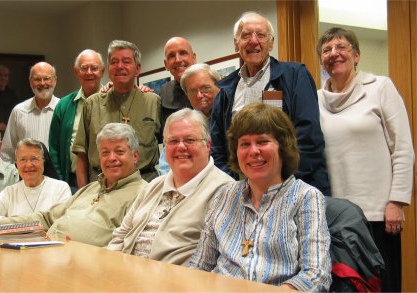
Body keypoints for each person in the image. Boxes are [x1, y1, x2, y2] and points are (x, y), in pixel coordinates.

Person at [189, 103, 331, 291]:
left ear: (283, 147)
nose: (253, 151)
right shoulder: (224, 195)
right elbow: (200, 264)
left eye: (263, 141)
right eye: (245, 144)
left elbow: (316, 274)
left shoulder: (306, 197)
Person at [316, 27, 414, 292]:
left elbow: (403, 148)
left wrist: (397, 201)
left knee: (383, 285)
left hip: (379, 213)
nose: (333, 53)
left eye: (341, 47)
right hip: (336, 215)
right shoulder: (315, 99)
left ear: (356, 55)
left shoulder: (381, 87)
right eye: (326, 49)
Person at [210, 11, 330, 196]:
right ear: (236, 44)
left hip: (294, 187)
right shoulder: (226, 90)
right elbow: (218, 147)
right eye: (246, 35)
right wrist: (231, 187)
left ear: (271, 43)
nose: (253, 40)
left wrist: (281, 185)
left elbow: (309, 137)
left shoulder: (295, 75)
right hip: (243, 193)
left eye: (261, 35)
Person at [0, 123, 147, 246]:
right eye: (105, 152)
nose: (111, 158)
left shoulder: (144, 194)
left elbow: (129, 248)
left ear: (135, 156)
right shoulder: (91, 188)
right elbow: (47, 218)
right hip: (46, 251)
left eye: (119, 151)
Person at [107, 108, 234, 265]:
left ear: (207, 145)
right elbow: (121, 235)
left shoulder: (226, 192)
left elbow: (220, 261)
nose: (181, 147)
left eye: (189, 140)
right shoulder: (154, 185)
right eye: (173, 141)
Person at [72, 40, 160, 188]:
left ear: (137, 69)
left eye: (126, 61)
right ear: (108, 69)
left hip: (144, 186)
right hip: (101, 185)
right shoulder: (92, 104)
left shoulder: (153, 102)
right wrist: (84, 192)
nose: (119, 66)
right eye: (114, 62)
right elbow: (81, 155)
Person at [0, 138, 71, 226]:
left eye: (34, 159)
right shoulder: (11, 192)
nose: (29, 165)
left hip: (50, 248)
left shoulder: (60, 188)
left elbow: (63, 222)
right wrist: (1, 220)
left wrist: (3, 222)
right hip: (16, 249)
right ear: (16, 164)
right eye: (23, 160)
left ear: (44, 161)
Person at [49, 50, 105, 191]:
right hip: (71, 183)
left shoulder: (112, 101)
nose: (89, 72)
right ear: (76, 71)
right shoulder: (63, 105)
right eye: (84, 68)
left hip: (107, 180)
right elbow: (54, 149)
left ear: (102, 71)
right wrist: (61, 183)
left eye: (94, 68)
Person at [158, 63, 221, 175]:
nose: (199, 95)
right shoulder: (180, 123)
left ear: (219, 87)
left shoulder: (230, 120)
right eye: (192, 91)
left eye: (205, 89)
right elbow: (166, 167)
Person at [0, 62, 59, 163]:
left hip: (58, 176)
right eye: (37, 79)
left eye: (47, 78)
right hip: (26, 174)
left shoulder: (64, 109)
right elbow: (7, 152)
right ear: (30, 83)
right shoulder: (18, 111)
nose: (42, 83)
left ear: (54, 81)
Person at [159, 37, 197, 134]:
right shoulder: (164, 93)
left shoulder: (214, 85)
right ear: (166, 64)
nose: (178, 59)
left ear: (194, 58)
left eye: (183, 53)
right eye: (171, 56)